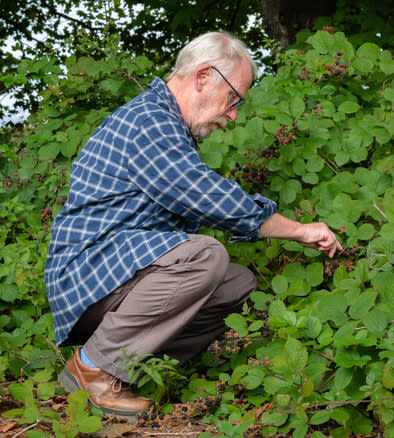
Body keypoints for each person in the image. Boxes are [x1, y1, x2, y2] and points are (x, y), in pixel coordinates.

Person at [45, 31, 343, 419]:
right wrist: (300, 229)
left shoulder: (166, 125)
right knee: (205, 256)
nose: (234, 114)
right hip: (88, 275)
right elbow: (209, 198)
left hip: (113, 275)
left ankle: (128, 372)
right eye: (233, 98)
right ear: (203, 77)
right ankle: (94, 368)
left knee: (235, 284)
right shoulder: (149, 121)